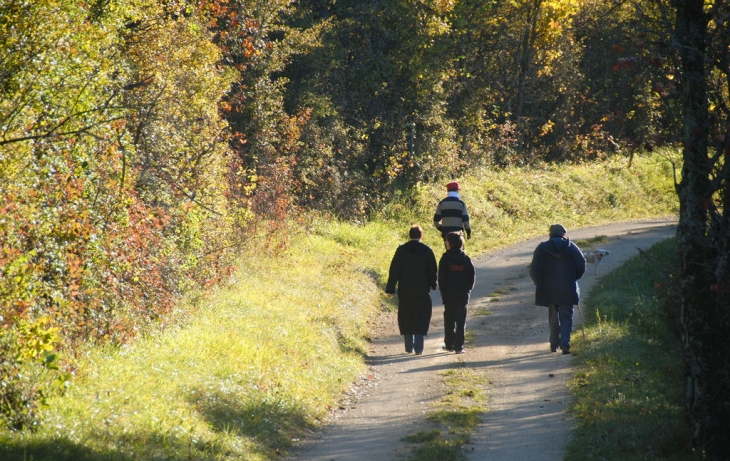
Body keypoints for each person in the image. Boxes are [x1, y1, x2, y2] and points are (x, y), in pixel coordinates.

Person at [530, 224, 586, 354]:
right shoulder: (571, 247)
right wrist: (574, 278)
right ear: (563, 234)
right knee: (566, 316)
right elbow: (581, 264)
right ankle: (565, 344)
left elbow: (534, 269)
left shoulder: (542, 248)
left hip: (548, 288)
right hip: (567, 287)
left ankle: (554, 345)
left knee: (553, 316)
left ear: (550, 234)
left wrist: (540, 283)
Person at [385, 225, 438, 355]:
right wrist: (433, 283)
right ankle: (419, 348)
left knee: (406, 316)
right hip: (422, 289)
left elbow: (394, 270)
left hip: (405, 289)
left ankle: (408, 347)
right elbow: (433, 269)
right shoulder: (427, 250)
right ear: (421, 236)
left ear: (409, 235)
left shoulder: (401, 250)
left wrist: (390, 288)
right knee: (421, 316)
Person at [438, 231, 476, 354]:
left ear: (450, 243)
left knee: (449, 320)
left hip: (449, 295)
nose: (445, 243)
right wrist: (467, 290)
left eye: (446, 241)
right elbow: (472, 277)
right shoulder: (465, 258)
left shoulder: (445, 258)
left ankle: (449, 345)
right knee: (461, 321)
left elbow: (441, 278)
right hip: (462, 295)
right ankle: (459, 347)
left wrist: (443, 291)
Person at [433, 182, 471, 247]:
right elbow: (465, 221)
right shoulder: (461, 204)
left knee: (448, 251)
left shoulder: (442, 203)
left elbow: (436, 220)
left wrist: (442, 229)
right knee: (459, 251)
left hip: (446, 232)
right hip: (458, 232)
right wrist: (468, 232)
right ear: (457, 190)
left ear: (447, 190)